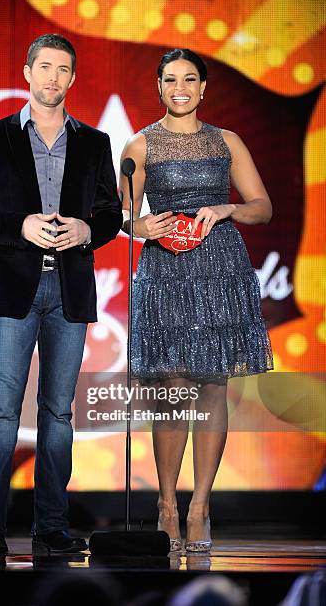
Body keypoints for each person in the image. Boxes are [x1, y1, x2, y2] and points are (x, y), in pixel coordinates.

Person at [0, 34, 122, 555]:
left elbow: (112, 216)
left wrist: (86, 230)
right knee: (3, 407)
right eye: (44, 67)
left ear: (73, 79)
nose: (52, 77)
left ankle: (50, 529)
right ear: (27, 72)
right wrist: (20, 225)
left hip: (69, 289)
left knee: (58, 412)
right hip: (14, 288)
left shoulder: (95, 142)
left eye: (63, 69)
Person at [120, 48, 273, 553]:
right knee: (171, 385)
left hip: (219, 268)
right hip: (165, 269)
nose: (179, 87)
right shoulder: (140, 146)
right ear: (158, 87)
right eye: (170, 80)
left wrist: (228, 206)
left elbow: (262, 207)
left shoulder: (227, 141)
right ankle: (166, 504)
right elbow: (119, 217)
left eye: (189, 79)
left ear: (204, 88)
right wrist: (138, 226)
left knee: (212, 384)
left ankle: (201, 505)